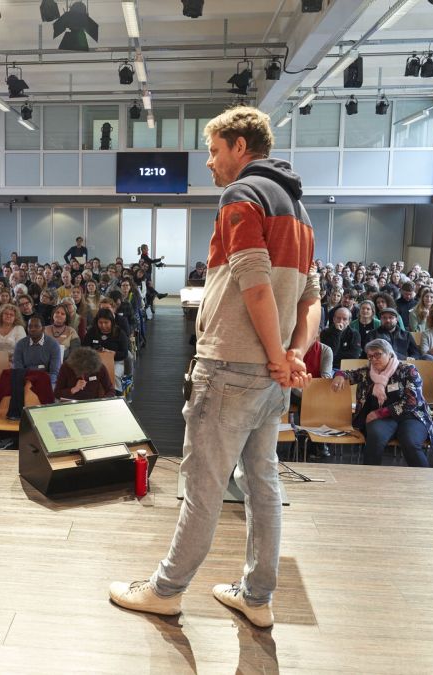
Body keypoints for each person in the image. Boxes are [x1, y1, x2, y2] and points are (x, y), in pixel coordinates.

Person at [109, 106, 320, 628]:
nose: (208, 162)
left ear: (240, 148)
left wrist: (277, 356)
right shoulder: (300, 208)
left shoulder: (241, 195)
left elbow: (252, 282)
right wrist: (293, 355)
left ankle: (165, 590)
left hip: (230, 367)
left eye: (214, 150)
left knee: (203, 488)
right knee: (262, 484)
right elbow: (311, 297)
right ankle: (256, 595)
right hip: (270, 377)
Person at [331, 338, 433, 467]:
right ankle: (369, 479)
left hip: (411, 416)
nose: (373, 359)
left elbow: (412, 401)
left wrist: (380, 413)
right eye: (370, 356)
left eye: (377, 354)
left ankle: (424, 481)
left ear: (389, 354)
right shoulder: (369, 372)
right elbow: (349, 374)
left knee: (410, 442)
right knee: (376, 438)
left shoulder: (408, 370)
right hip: (385, 420)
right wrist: (339, 375)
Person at [13, 316, 62, 390]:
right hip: (26, 381)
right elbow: (19, 370)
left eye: (36, 326)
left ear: (43, 329)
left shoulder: (53, 344)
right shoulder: (20, 344)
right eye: (30, 326)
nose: (32, 329)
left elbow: (54, 372)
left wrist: (46, 385)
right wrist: (27, 383)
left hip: (46, 381)